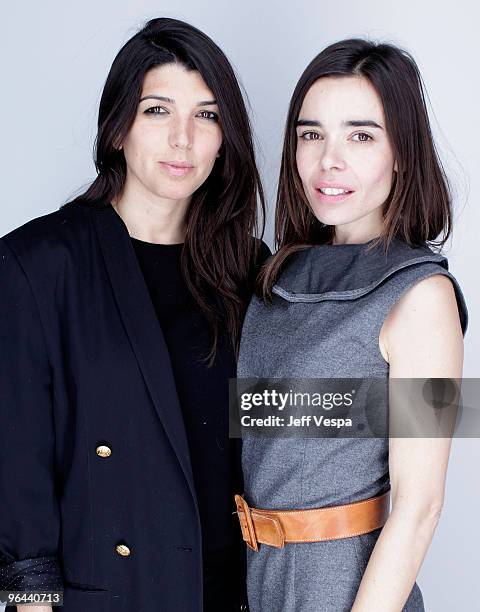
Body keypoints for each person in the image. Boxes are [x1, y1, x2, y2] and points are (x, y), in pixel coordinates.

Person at [0, 17, 269, 612]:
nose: (183, 139)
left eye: (206, 114)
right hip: (115, 596)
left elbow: (295, 416)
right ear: (117, 127)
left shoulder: (248, 268)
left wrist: (436, 394)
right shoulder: (37, 264)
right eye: (157, 111)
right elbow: (18, 469)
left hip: (236, 596)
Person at [235, 39, 468, 611]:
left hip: (346, 593)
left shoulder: (423, 297)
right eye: (311, 134)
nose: (328, 160)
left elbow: (420, 507)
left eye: (360, 136)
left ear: (403, 153)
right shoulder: (270, 279)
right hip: (255, 584)